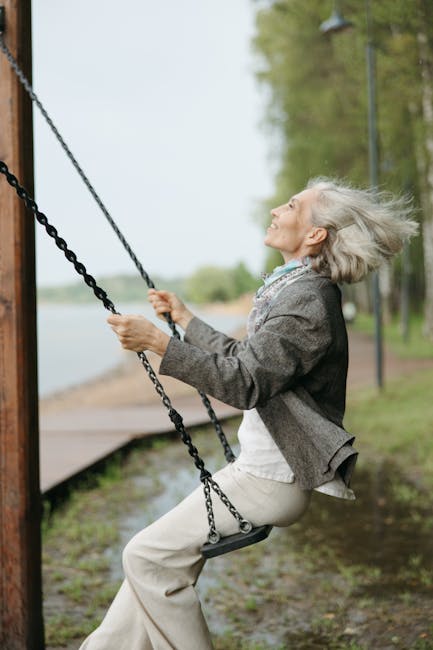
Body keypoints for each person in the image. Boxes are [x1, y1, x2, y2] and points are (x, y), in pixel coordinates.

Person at [79, 178, 417, 650]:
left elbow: (243, 382)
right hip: (262, 471)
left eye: (293, 205)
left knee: (146, 557)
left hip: (271, 477)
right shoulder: (294, 290)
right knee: (156, 570)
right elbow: (248, 358)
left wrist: (158, 343)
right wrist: (185, 321)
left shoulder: (308, 300)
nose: (278, 209)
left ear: (315, 234)